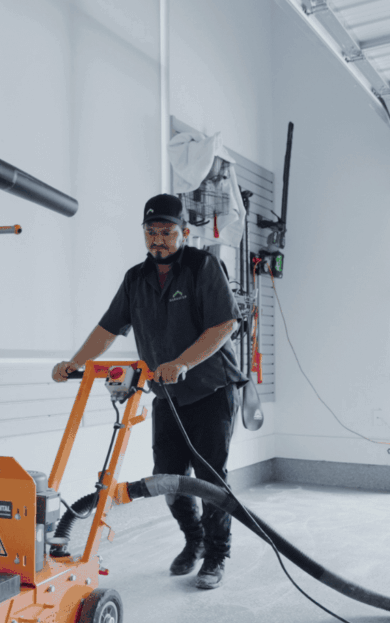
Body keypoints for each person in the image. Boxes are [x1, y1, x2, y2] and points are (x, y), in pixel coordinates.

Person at [52, 193, 247, 589]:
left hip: (211, 389)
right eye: (151, 232)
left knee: (210, 478)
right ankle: (194, 540)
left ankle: (216, 554)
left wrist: (184, 362)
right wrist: (75, 362)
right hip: (167, 395)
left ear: (184, 232)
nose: (158, 240)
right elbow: (108, 328)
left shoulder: (202, 267)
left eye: (167, 232)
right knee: (167, 477)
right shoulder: (136, 279)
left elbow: (224, 325)